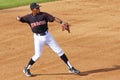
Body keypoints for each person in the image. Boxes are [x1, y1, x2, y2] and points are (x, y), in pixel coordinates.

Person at [16, 2, 80, 77]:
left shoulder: (44, 15)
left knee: (59, 51)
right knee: (38, 55)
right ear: (33, 10)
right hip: (38, 38)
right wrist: (18, 18)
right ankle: (26, 68)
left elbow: (54, 18)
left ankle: (70, 67)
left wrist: (62, 22)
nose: (39, 9)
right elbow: (20, 19)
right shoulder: (28, 17)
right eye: (37, 8)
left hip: (48, 36)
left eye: (38, 7)